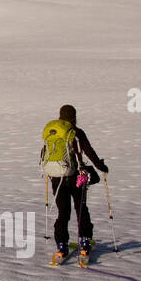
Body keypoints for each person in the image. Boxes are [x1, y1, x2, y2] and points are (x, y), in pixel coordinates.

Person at [40, 104, 107, 264]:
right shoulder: (76, 132)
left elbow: (44, 153)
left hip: (57, 177)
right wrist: (101, 167)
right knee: (81, 209)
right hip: (77, 176)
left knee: (63, 211)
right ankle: (84, 242)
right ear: (74, 117)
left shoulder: (52, 132)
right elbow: (89, 152)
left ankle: (61, 245)